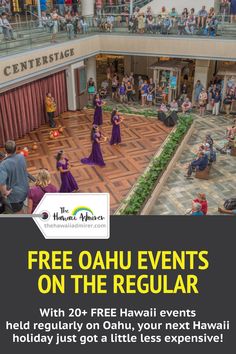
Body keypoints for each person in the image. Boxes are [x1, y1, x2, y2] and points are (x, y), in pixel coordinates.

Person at [0, 140, 28, 213]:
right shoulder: (21, 157)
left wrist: (5, 193)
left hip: (14, 196)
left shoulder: (3, 165)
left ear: (5, 150)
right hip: (25, 189)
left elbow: (1, 183)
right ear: (16, 149)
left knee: (16, 210)